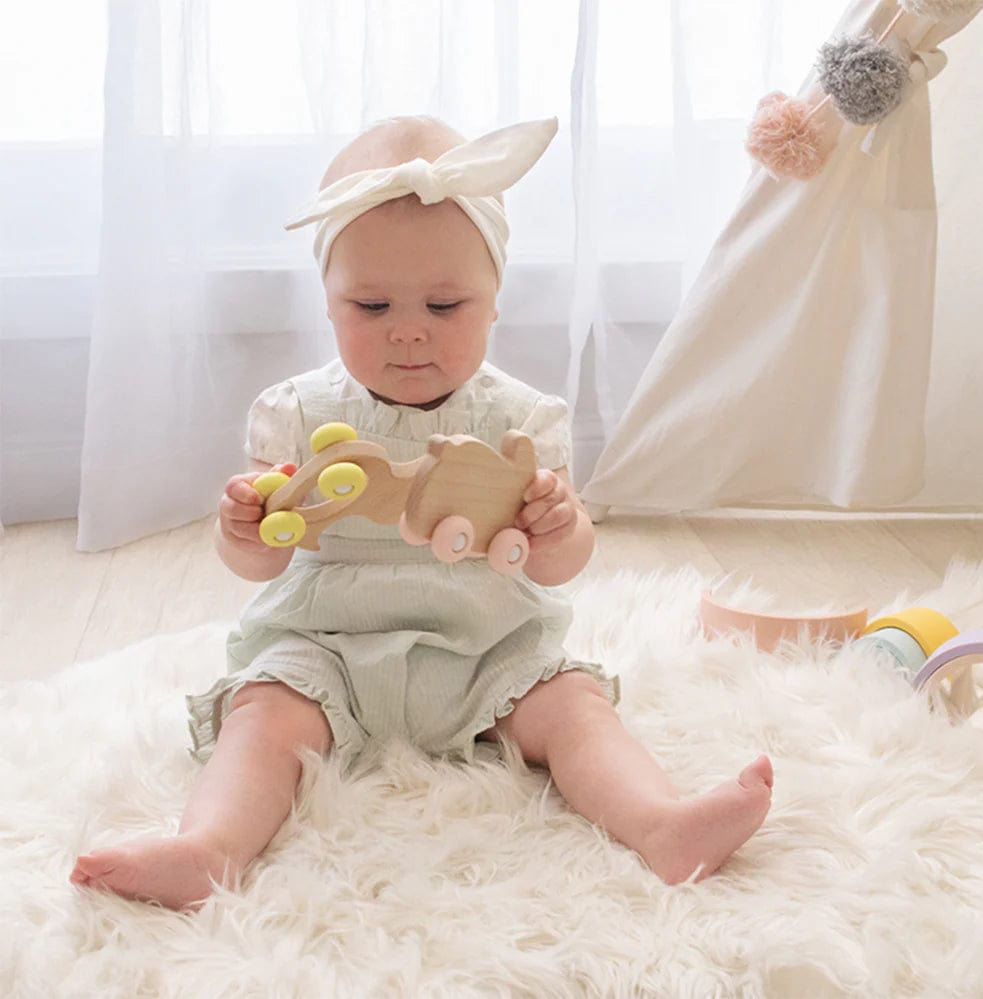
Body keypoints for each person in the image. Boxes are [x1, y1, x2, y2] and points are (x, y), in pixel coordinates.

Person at [70, 116, 773, 912]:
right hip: (328, 645)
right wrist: (243, 528)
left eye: (444, 304)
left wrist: (556, 524)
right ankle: (210, 847)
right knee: (263, 713)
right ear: (329, 302)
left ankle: (661, 822)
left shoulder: (521, 422)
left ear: (495, 300)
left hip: (486, 648)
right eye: (371, 304)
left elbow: (559, 564)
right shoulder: (297, 414)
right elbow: (264, 556)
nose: (408, 329)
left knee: (572, 703)